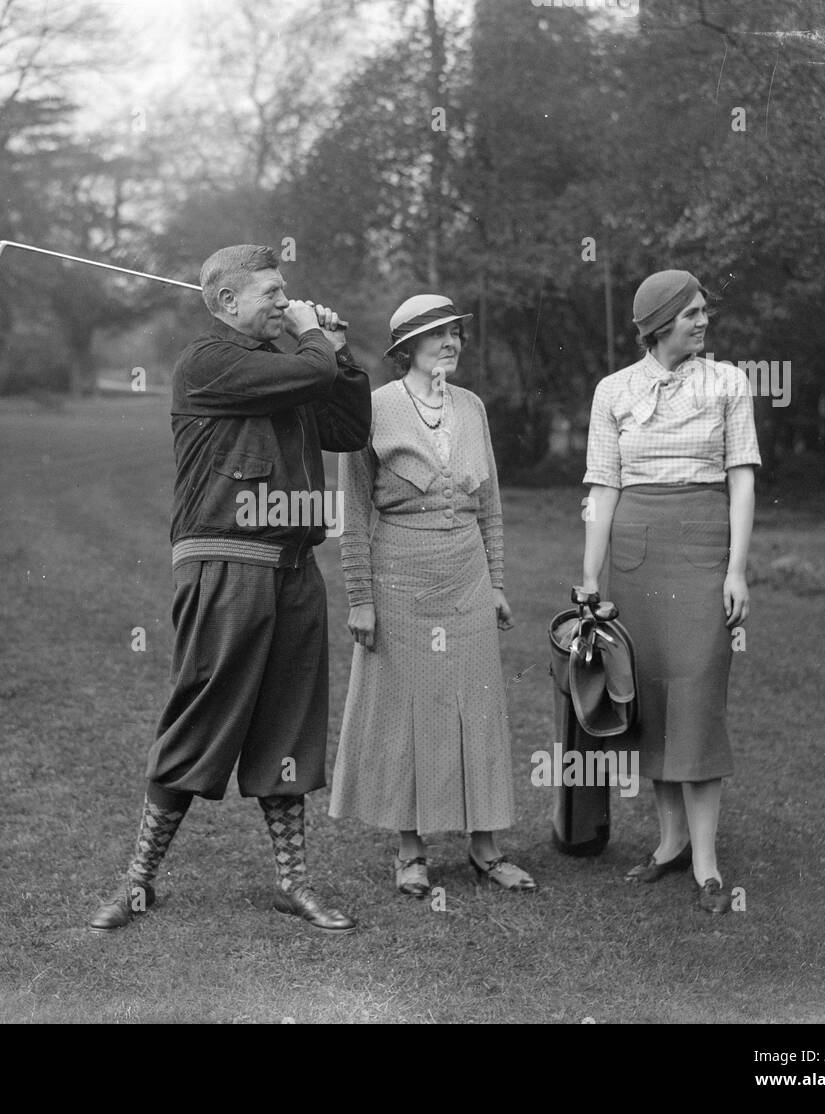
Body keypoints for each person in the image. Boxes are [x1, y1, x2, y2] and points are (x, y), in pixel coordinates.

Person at [88, 244, 371, 935]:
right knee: (200, 720)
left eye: (286, 292)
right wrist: (314, 341)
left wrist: (341, 353)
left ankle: (293, 883)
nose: (283, 300)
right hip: (224, 564)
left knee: (289, 729)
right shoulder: (207, 363)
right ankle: (137, 881)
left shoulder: (293, 371)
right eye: (271, 293)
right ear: (226, 304)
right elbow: (308, 371)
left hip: (294, 570)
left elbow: (351, 427)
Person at [329, 294, 536, 897]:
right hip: (401, 583)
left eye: (456, 334)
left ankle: (487, 848)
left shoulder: (471, 407)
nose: (451, 343)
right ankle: (411, 851)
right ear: (406, 348)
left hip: (467, 579)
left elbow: (490, 505)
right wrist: (360, 598)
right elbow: (356, 511)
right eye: (437, 335)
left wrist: (496, 584)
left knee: (477, 706)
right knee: (409, 710)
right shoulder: (373, 410)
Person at [580, 269, 760, 914]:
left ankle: (706, 862)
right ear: (658, 324)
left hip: (705, 549)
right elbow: (603, 488)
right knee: (649, 698)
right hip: (634, 556)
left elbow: (741, 479)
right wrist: (591, 576)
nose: (703, 321)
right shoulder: (614, 391)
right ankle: (669, 843)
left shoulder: (728, 382)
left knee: (698, 695)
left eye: (705, 311)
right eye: (691, 313)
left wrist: (736, 569)